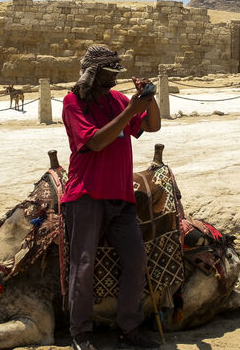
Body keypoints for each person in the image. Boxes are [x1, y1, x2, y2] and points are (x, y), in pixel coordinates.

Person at [61, 45, 161, 350]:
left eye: (114, 75)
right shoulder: (73, 102)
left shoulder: (118, 100)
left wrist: (148, 99)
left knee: (135, 259)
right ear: (92, 75)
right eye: (107, 75)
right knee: (84, 263)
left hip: (121, 197)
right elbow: (95, 141)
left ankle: (129, 329)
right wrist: (131, 111)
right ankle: (81, 333)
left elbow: (152, 125)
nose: (112, 82)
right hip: (86, 195)